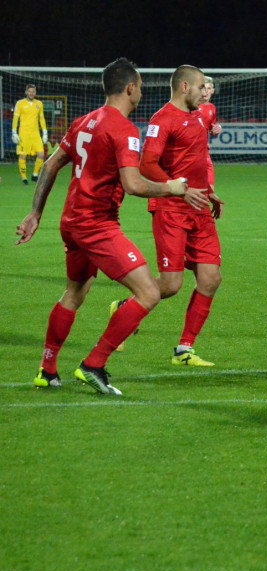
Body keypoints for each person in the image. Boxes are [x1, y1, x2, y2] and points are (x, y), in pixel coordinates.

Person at [16, 57, 205, 396]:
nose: (142, 94)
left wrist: (35, 213)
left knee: (74, 293)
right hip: (96, 226)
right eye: (141, 88)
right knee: (148, 292)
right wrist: (171, 188)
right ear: (130, 88)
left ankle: (47, 369)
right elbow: (133, 184)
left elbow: (51, 164)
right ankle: (94, 364)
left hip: (71, 223)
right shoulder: (123, 129)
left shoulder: (84, 121)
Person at [130, 65, 225, 366]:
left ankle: (184, 350)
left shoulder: (202, 114)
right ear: (185, 87)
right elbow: (147, 165)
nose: (204, 93)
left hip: (199, 206)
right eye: (200, 87)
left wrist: (208, 191)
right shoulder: (162, 120)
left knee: (210, 279)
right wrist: (180, 189)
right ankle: (126, 308)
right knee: (170, 285)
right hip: (171, 208)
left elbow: (198, 159)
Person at [12, 84, 48, 185]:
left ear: (35, 93)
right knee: (23, 156)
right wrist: (14, 132)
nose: (31, 93)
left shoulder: (39, 104)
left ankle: (35, 175)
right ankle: (24, 178)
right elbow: (15, 119)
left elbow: (41, 118)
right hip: (23, 134)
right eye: (30, 91)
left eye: (33, 91)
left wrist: (45, 132)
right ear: (26, 92)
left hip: (36, 134)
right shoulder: (20, 103)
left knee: (41, 154)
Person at [196, 76, 221, 188]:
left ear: (212, 90)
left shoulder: (212, 108)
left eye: (208, 88)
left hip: (204, 153)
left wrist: (216, 129)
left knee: (210, 189)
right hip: (191, 152)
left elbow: (211, 129)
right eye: (203, 88)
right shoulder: (193, 107)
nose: (205, 91)